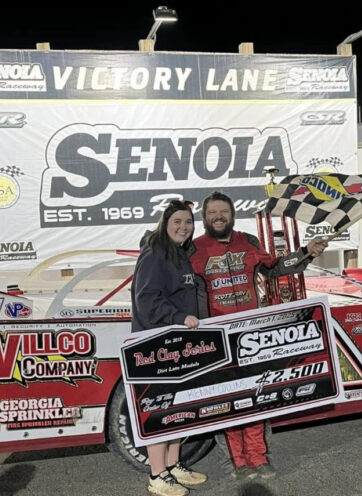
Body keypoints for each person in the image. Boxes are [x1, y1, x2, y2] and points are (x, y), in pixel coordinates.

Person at [188, 191, 328, 481]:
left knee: (255, 395)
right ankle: (237, 463)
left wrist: (307, 252)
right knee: (226, 400)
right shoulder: (192, 249)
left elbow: (275, 266)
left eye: (223, 211)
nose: (218, 217)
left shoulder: (248, 241)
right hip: (216, 338)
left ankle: (258, 458)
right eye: (212, 212)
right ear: (203, 218)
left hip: (252, 335)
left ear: (232, 214)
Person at [131, 200, 208, 496]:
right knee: (161, 411)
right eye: (177, 221)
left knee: (178, 408)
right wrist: (178, 318)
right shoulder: (155, 252)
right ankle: (157, 475)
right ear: (165, 223)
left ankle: (174, 465)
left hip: (179, 343)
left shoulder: (179, 253)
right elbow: (146, 299)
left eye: (188, 222)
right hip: (157, 344)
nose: (183, 227)